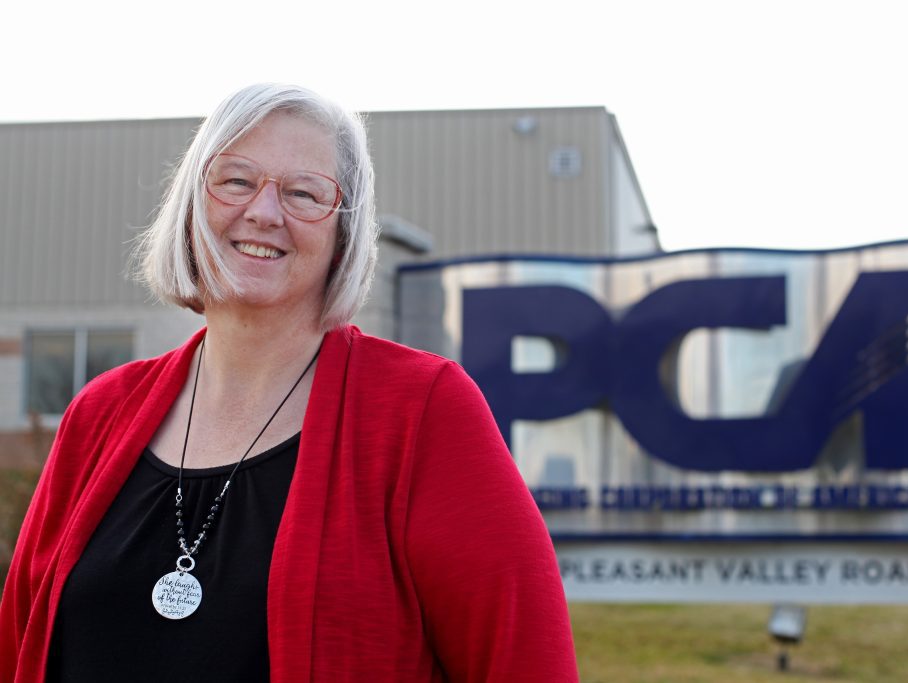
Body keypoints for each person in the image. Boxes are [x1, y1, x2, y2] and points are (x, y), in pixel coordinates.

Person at [0, 83, 578, 682]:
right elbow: (18, 642)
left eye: (304, 193)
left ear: (343, 234)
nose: (264, 212)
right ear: (193, 203)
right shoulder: (100, 413)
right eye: (236, 181)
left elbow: (525, 661)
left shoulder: (422, 411)